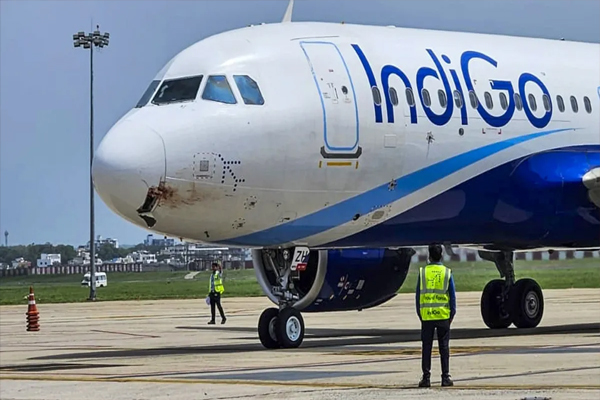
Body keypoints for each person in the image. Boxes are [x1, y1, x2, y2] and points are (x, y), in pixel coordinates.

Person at [416, 244, 456, 388]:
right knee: (444, 348)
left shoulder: (423, 272)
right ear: (441, 255)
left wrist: (421, 315)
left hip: (427, 317)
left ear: (429, 256)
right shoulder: (446, 272)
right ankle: (445, 377)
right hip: (443, 316)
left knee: (426, 348)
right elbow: (452, 297)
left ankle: (426, 378)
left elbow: (418, 297)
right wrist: (451, 315)